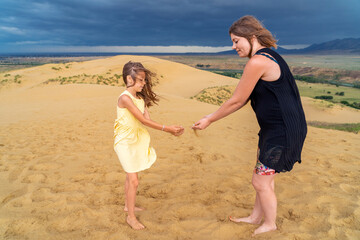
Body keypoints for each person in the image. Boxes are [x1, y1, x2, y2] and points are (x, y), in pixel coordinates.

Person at [192, 15, 307, 236]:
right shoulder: (270, 56)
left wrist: (209, 118)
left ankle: (270, 223)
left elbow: (238, 99)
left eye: (236, 41)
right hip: (274, 130)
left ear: (251, 37)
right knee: (264, 176)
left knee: (260, 181)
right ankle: (256, 217)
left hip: (281, 132)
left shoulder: (258, 61)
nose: (233, 46)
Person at [114, 61, 184, 230]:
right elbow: (143, 120)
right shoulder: (125, 98)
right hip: (124, 141)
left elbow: (148, 120)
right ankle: (131, 217)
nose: (144, 83)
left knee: (130, 176)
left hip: (137, 139)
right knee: (134, 180)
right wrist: (167, 129)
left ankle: (127, 205)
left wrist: (170, 129)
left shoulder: (140, 98)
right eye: (140, 80)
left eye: (144, 80)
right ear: (129, 79)